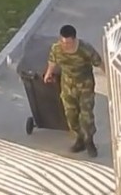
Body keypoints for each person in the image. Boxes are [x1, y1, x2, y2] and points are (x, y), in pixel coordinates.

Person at [44, 23, 103, 157]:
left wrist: (111, 77)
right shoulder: (57, 49)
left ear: (75, 39)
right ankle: (80, 138)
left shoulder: (85, 49)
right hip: (67, 86)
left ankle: (89, 141)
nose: (66, 46)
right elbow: (52, 61)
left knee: (86, 115)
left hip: (85, 85)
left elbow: (99, 63)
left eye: (69, 43)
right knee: (71, 115)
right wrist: (48, 73)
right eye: (64, 43)